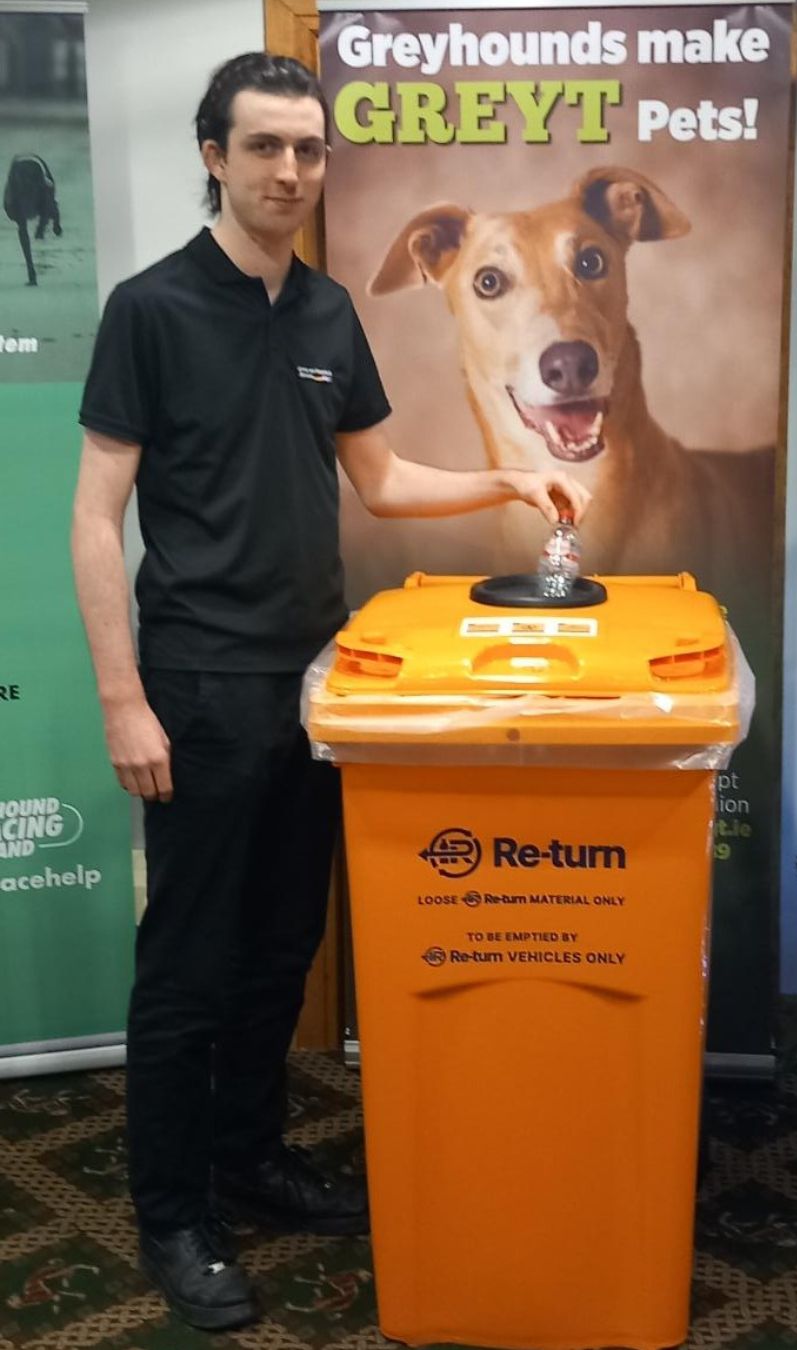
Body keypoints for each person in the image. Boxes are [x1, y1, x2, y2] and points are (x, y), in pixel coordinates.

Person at [71, 52, 589, 1334]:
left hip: (318, 683)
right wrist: (121, 700)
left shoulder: (324, 314)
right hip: (195, 684)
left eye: (308, 150)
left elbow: (384, 480)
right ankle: (175, 1212)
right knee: (185, 969)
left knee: (280, 950)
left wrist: (510, 480)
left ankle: (251, 1157)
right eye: (265, 149)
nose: (291, 172)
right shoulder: (151, 308)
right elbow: (95, 518)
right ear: (215, 157)